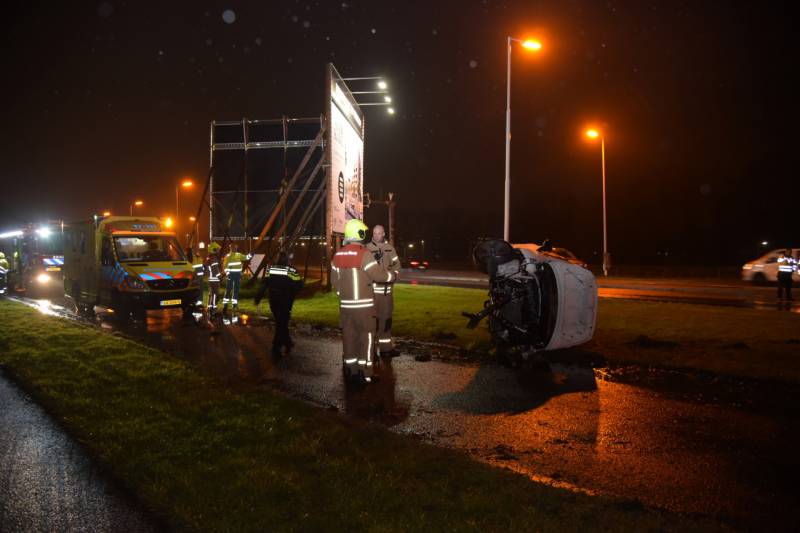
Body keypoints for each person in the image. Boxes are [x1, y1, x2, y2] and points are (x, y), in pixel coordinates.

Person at [332, 219, 395, 384]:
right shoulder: (363, 254)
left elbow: (335, 283)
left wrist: (343, 296)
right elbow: (378, 275)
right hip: (364, 308)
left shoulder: (337, 255)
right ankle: (365, 373)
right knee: (366, 338)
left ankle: (351, 371)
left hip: (345, 308)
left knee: (349, 337)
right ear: (359, 234)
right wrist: (392, 276)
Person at [254, 251, 304, 356]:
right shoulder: (292, 270)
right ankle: (276, 347)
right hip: (285, 300)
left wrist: (258, 298)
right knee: (282, 323)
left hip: (273, 300)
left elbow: (264, 285)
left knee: (281, 322)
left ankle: (288, 342)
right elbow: (299, 286)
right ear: (287, 259)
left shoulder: (270, 269)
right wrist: (292, 295)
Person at [366, 225, 401, 357]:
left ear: (384, 234)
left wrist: (393, 276)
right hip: (371, 293)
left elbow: (397, 266)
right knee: (372, 322)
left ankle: (386, 349)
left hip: (386, 293)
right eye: (374, 233)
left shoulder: (390, 249)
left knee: (386, 321)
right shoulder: (367, 249)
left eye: (379, 233)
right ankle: (371, 351)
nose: (376, 236)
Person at [222, 243, 248, 315]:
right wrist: (228, 274)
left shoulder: (239, 255)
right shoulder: (227, 256)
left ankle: (234, 305)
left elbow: (246, 257)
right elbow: (224, 266)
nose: (235, 248)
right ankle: (225, 306)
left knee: (236, 290)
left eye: (236, 247)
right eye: (233, 247)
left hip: (238, 275)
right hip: (231, 275)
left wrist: (251, 254)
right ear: (231, 248)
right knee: (228, 290)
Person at [204, 242, 223, 319]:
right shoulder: (214, 259)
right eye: (218, 250)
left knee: (211, 294)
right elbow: (215, 270)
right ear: (214, 250)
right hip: (215, 279)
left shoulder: (209, 258)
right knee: (215, 294)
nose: (219, 251)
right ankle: (214, 309)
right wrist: (220, 277)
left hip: (211, 279)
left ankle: (209, 307)